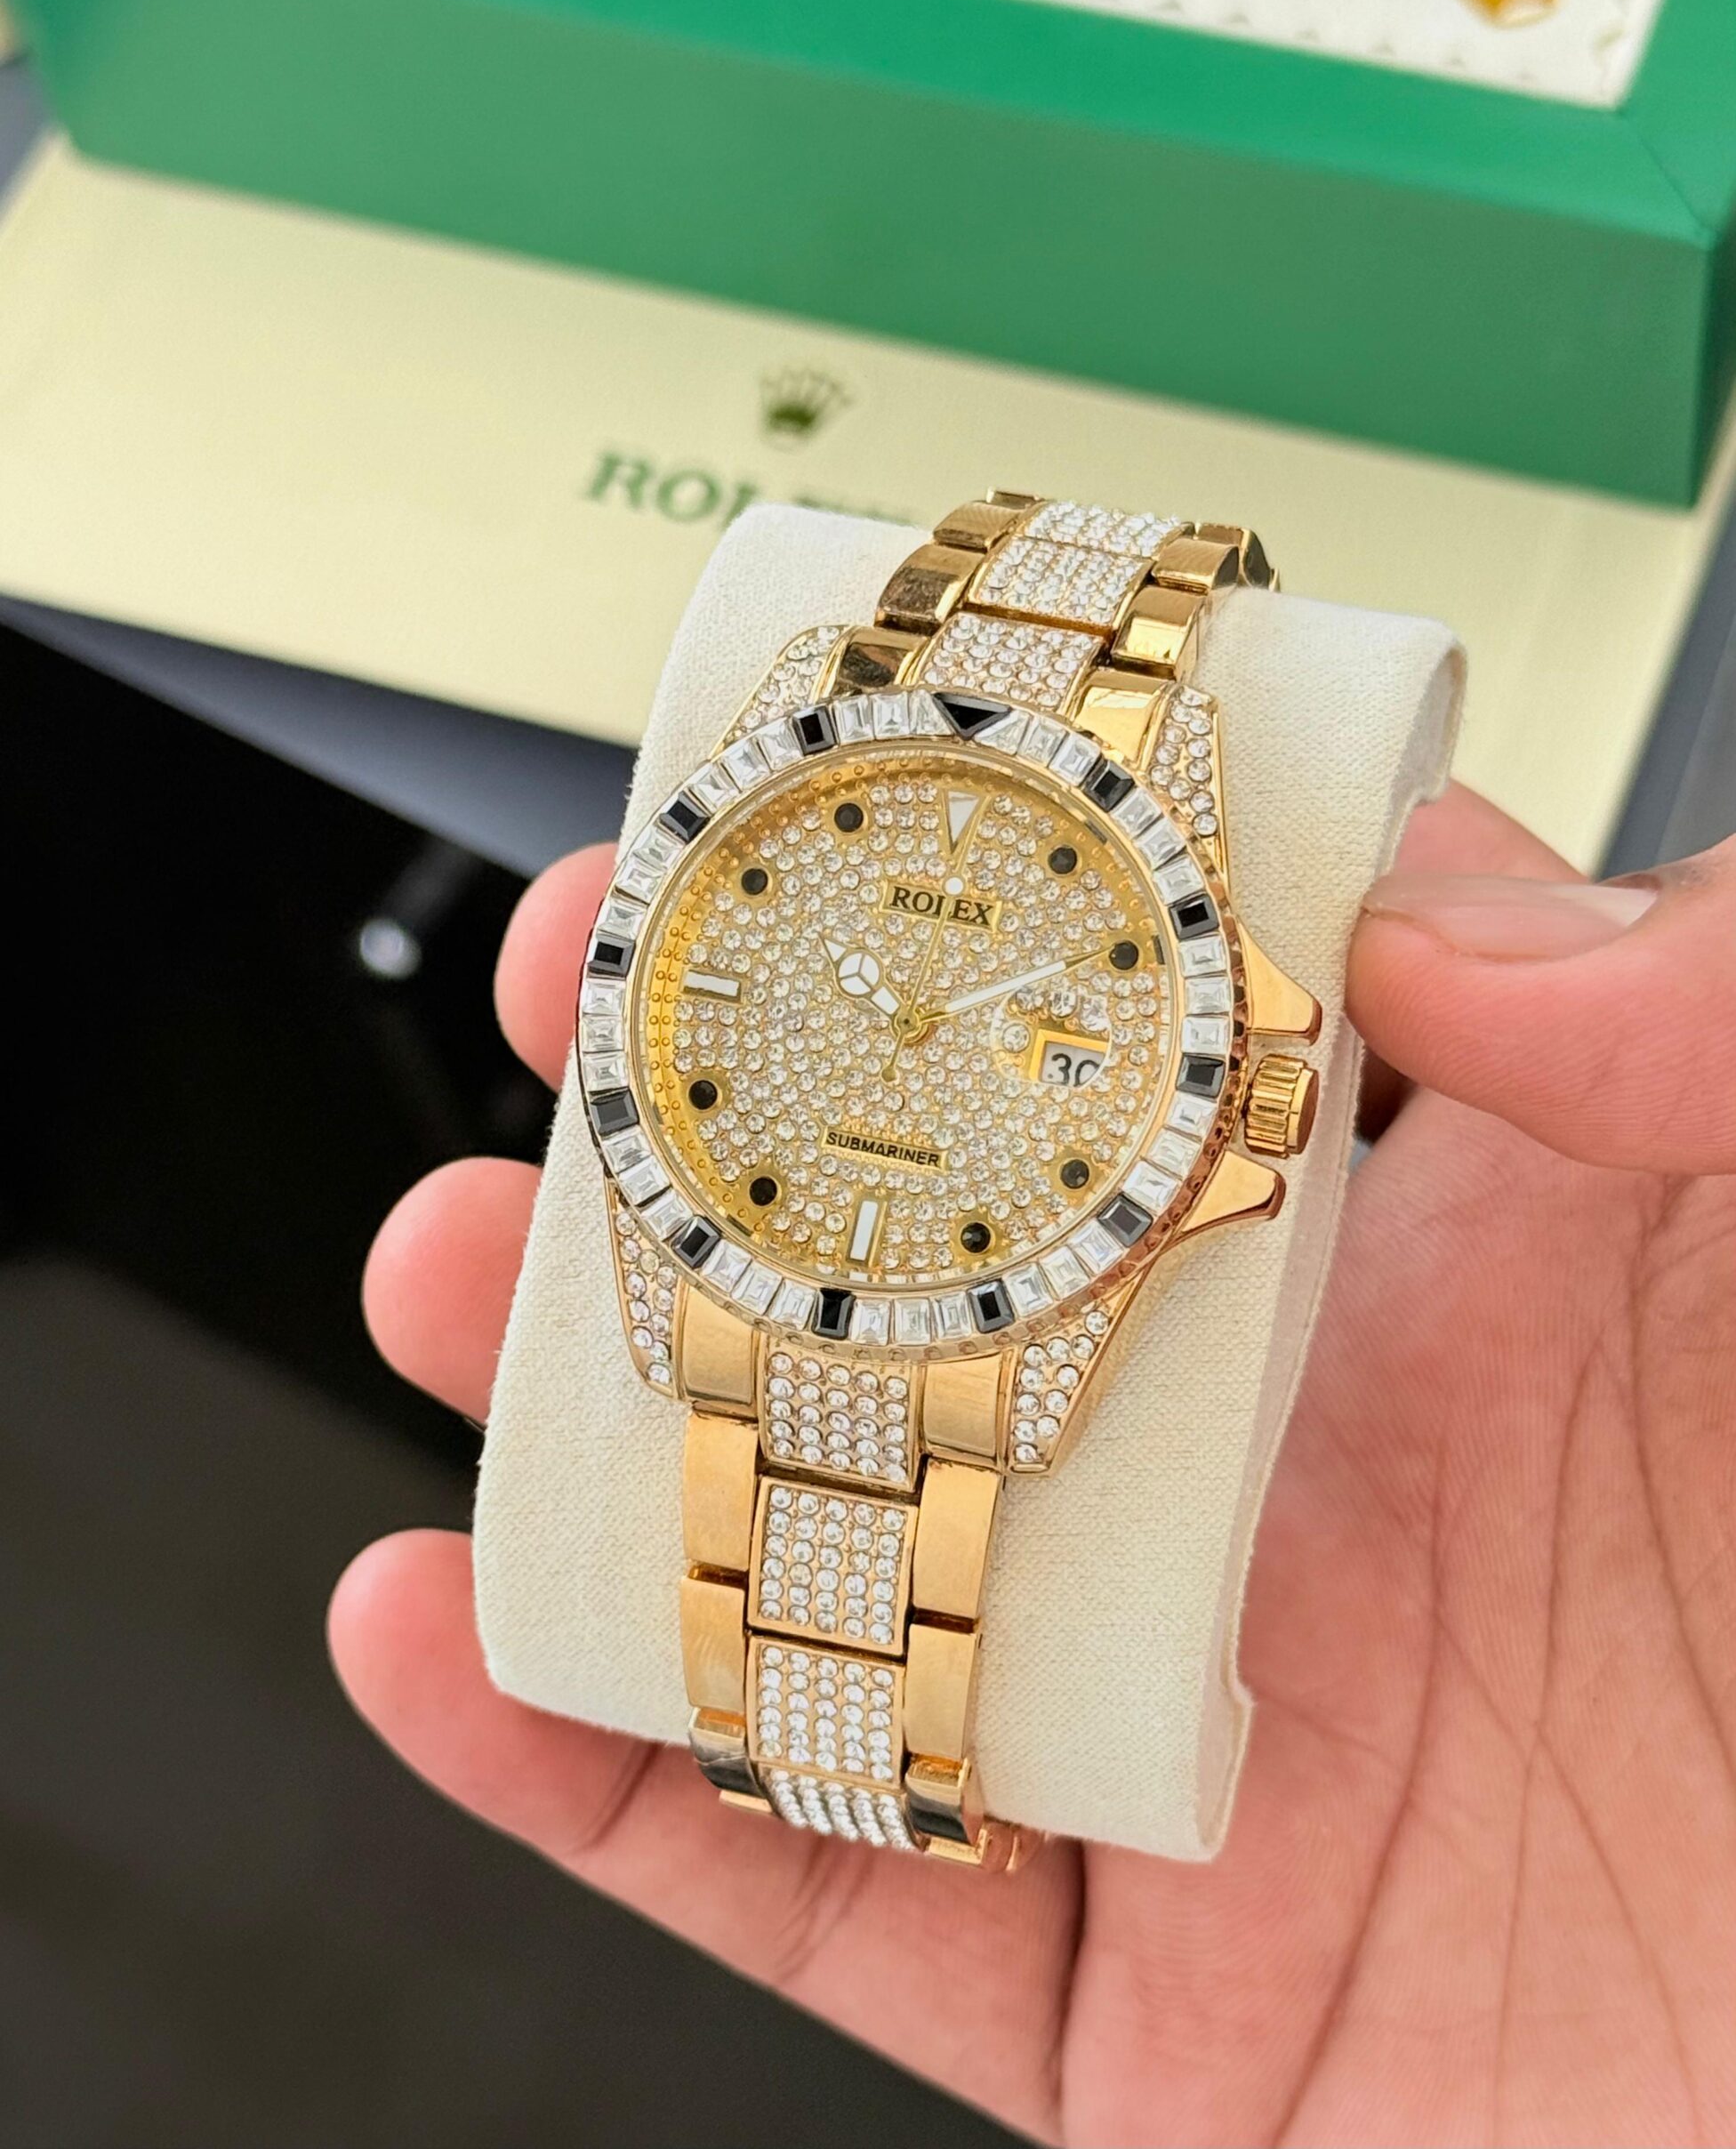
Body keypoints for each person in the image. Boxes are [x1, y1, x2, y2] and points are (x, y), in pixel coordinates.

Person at [334, 783, 1736, 2146]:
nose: (915, 1028)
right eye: (902, 1008)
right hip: (750, 1285)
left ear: (1243, 1112)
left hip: (998, 1335)